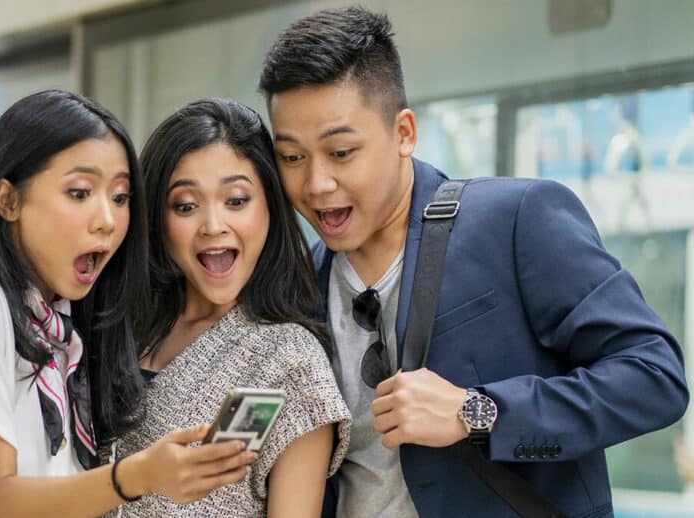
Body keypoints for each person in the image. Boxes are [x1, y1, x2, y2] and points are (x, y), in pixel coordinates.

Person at [258, 7, 689, 518]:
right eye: (291, 158)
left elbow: (654, 377)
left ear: (404, 134)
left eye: (342, 152)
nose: (316, 184)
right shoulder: (297, 287)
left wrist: (476, 412)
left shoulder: (516, 218)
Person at [0, 90, 255, 518]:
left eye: (119, 197)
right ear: (8, 200)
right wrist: (137, 476)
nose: (108, 219)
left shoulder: (55, 322)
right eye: (79, 193)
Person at [112, 98, 351, 517]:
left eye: (236, 200)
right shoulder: (122, 327)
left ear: (270, 209)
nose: (213, 225)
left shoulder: (285, 360)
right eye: (185, 205)